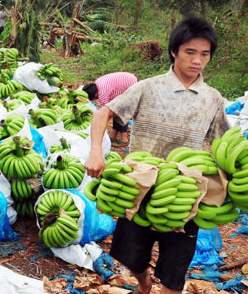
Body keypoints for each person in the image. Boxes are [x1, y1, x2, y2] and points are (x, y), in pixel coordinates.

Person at [84, 16, 230, 294]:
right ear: (174, 51)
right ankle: (143, 282)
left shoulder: (213, 99)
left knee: (176, 269)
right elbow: (103, 113)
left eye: (204, 54)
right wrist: (95, 153)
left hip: (183, 195)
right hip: (138, 187)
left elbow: (224, 143)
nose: (197, 60)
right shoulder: (148, 87)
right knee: (131, 255)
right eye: (190, 52)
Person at [83, 72, 138, 145]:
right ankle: (113, 134)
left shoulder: (102, 93)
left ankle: (124, 138)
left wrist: (98, 129)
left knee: (122, 111)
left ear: (95, 94)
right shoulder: (97, 83)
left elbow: (105, 115)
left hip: (132, 86)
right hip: (127, 81)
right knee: (115, 109)